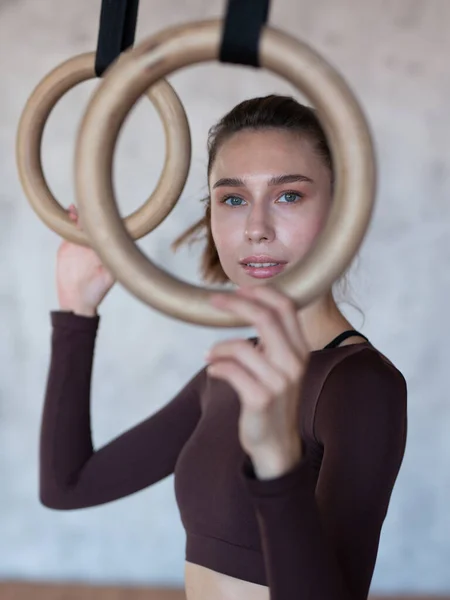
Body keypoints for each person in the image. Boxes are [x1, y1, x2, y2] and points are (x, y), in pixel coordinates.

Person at [40, 95, 408, 600]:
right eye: (233, 199)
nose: (256, 228)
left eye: (289, 196)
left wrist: (276, 461)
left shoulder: (360, 384)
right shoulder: (232, 373)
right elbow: (68, 485)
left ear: (343, 209)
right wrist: (76, 310)